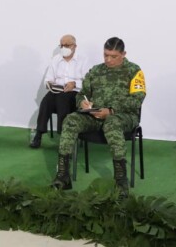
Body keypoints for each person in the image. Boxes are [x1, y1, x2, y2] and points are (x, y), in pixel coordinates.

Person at [51, 37, 145, 198]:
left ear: (124, 54)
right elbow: (81, 94)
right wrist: (83, 104)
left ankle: (121, 182)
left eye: (113, 56)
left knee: (112, 123)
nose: (108, 59)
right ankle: (62, 176)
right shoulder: (96, 71)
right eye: (105, 55)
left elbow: (138, 99)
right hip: (94, 115)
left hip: (123, 116)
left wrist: (111, 110)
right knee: (70, 120)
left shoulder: (134, 71)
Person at [30, 34, 87, 148]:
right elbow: (48, 79)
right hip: (57, 90)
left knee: (62, 99)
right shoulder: (56, 59)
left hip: (74, 92)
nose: (63, 48)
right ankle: (39, 134)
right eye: (61, 45)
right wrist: (50, 84)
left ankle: (64, 137)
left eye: (66, 45)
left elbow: (87, 82)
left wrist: (75, 83)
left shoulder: (83, 60)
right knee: (45, 102)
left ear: (75, 46)